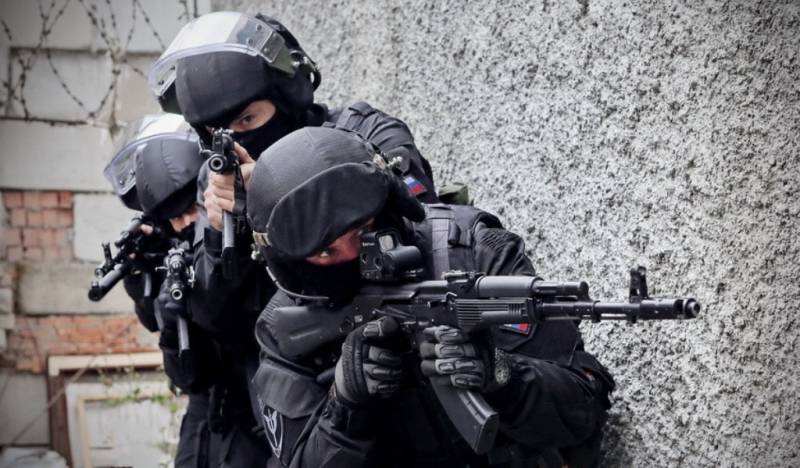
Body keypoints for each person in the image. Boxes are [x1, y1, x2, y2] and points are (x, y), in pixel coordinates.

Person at [145, 11, 440, 457]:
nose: (238, 139)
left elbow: (420, 218)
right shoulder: (217, 181)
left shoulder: (363, 131)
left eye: (248, 120)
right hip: (296, 392)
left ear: (286, 95)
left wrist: (278, 187)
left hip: (397, 361)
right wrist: (220, 234)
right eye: (218, 132)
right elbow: (213, 317)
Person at [245, 127, 615, 468]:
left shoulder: (471, 250)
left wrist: (502, 375)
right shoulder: (284, 328)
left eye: (364, 230)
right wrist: (344, 405)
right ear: (292, 262)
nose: (354, 256)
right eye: (326, 251)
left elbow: (585, 407)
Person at [105, 114, 223, 467]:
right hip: (208, 401)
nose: (185, 223)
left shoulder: (232, 232)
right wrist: (143, 277)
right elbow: (159, 325)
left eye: (190, 209)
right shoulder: (171, 244)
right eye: (174, 217)